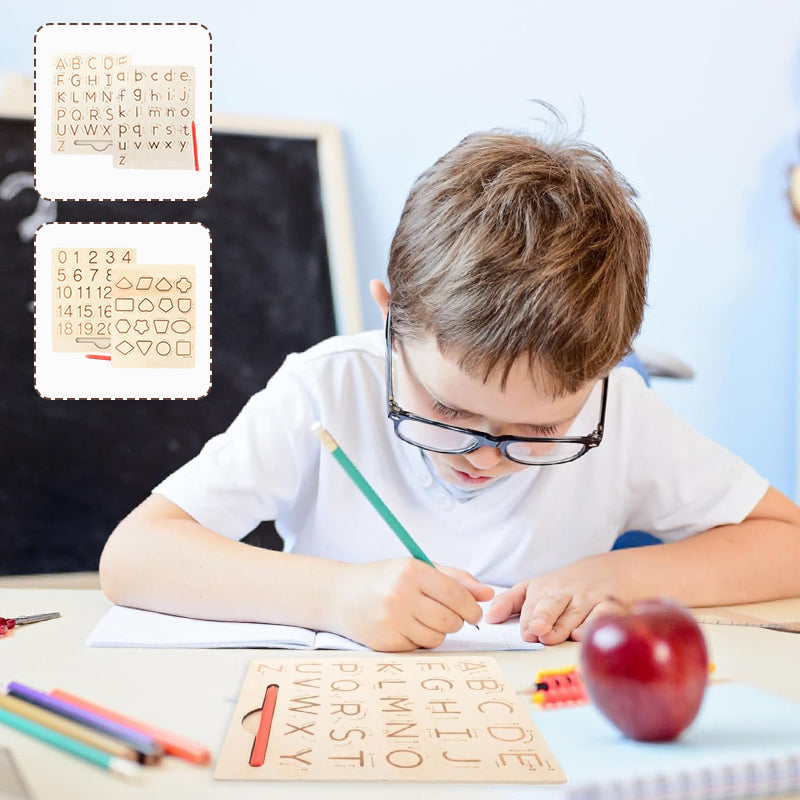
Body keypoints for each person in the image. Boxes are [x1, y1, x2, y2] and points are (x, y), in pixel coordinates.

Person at [99, 129, 800, 652]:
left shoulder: (619, 410)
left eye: (537, 431)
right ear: (391, 316)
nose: (483, 456)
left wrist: (618, 577)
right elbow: (134, 557)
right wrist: (334, 595)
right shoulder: (327, 389)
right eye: (448, 410)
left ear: (609, 366)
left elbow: (785, 543)